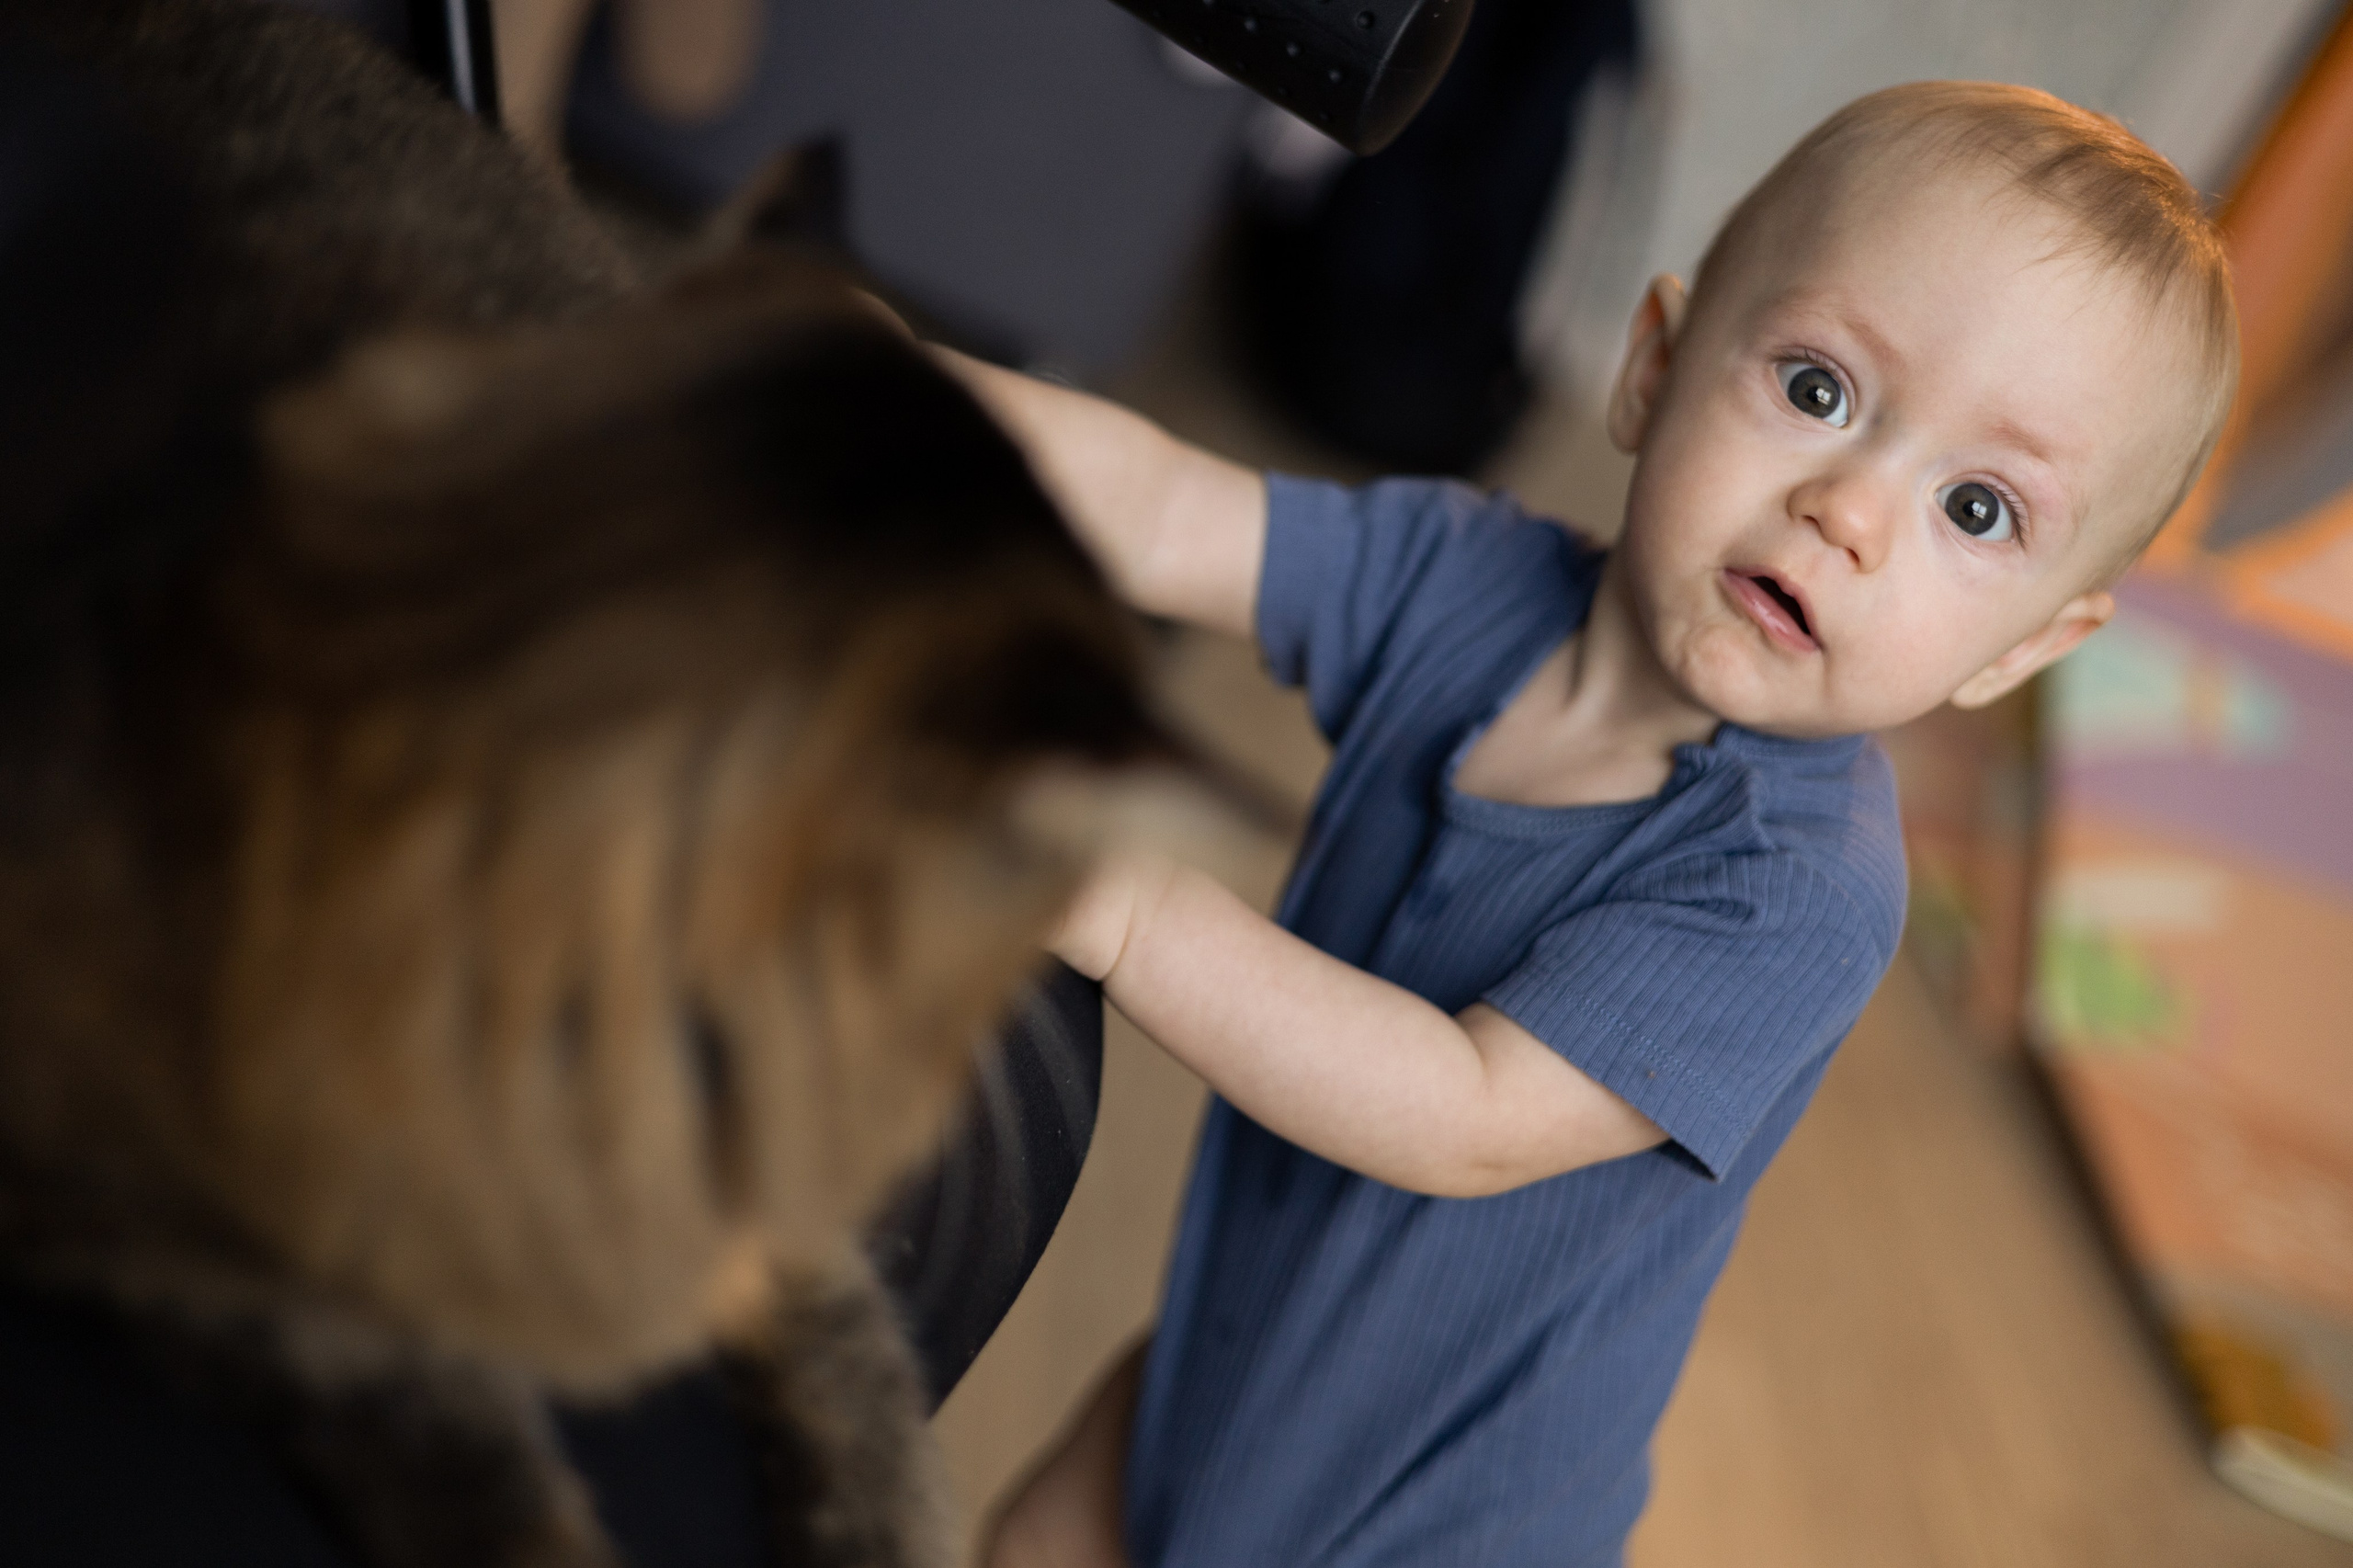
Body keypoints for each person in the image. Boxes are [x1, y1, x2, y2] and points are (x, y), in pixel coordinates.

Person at [941, 81, 2240, 1568]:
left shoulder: (1795, 888)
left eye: (1978, 509)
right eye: (1818, 389)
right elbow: (1168, 514)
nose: (1851, 510)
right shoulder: (1476, 582)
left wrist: (1114, 891)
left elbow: (1461, 1113)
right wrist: (840, 386)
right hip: (1234, 1380)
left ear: (2018, 651)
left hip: (1436, 1532)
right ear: (1654, 368)